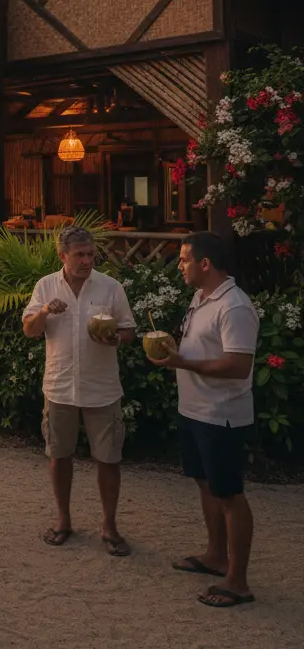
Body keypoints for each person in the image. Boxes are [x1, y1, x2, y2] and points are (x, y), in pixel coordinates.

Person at [148, 231, 259, 608]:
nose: (179, 265)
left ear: (205, 263)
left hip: (221, 414)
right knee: (206, 484)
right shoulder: (200, 298)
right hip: (193, 409)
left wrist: (184, 362)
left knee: (229, 494)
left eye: (183, 259)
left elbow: (238, 365)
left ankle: (238, 582)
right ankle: (215, 556)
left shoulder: (235, 306)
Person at [22, 224, 136, 556]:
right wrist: (44, 311)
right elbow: (29, 330)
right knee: (59, 455)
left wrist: (117, 338)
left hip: (102, 387)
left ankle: (110, 526)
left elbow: (128, 330)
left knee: (109, 458)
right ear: (63, 256)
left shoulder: (110, 287)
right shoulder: (45, 287)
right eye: (79, 255)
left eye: (90, 254)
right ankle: (63, 519)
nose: (87, 261)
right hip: (59, 386)